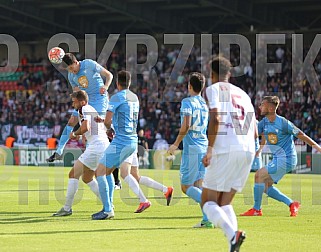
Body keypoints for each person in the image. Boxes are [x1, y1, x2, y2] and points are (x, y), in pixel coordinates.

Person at [201, 56, 256, 251]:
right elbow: (254, 129)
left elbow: (215, 118)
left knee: (207, 201)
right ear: (229, 73)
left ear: (212, 74)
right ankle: (234, 241)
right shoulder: (243, 94)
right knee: (225, 202)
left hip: (226, 148)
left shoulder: (213, 89)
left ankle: (233, 235)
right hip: (248, 148)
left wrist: (209, 149)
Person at [240, 96, 321, 217]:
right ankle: (292, 204)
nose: (260, 106)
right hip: (278, 158)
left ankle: (256, 209)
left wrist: (318, 148)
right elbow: (257, 135)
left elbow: (302, 135)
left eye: (263, 104)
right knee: (265, 186)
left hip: (287, 158)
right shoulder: (264, 122)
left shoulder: (283, 123)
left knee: (258, 175)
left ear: (271, 108)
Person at [92, 70, 144, 220]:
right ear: (129, 82)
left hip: (121, 141)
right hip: (132, 141)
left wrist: (108, 127)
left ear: (117, 83)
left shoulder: (116, 97)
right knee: (107, 171)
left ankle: (107, 210)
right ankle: (109, 207)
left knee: (99, 171)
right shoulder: (134, 97)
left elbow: (108, 121)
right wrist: (107, 122)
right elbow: (125, 117)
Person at [52, 90, 110, 216]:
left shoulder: (84, 109)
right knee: (87, 177)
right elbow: (93, 129)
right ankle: (108, 205)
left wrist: (75, 133)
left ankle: (67, 208)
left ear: (82, 101)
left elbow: (86, 127)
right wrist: (81, 135)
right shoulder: (90, 109)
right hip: (103, 145)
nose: (73, 104)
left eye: (75, 102)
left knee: (73, 174)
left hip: (96, 147)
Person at [46, 53, 113, 162]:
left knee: (98, 127)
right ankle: (59, 151)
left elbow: (109, 75)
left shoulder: (89, 64)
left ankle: (113, 143)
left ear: (76, 62)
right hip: (85, 101)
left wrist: (105, 87)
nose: (72, 71)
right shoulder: (71, 75)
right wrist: (74, 97)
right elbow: (77, 92)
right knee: (71, 121)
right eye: (69, 70)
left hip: (100, 99)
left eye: (72, 68)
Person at [168, 72, 213, 228]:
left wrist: (175, 144)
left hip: (192, 148)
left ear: (189, 86)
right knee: (198, 185)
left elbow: (186, 126)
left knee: (186, 186)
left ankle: (213, 208)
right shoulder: (204, 105)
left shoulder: (187, 102)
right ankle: (207, 220)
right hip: (203, 145)